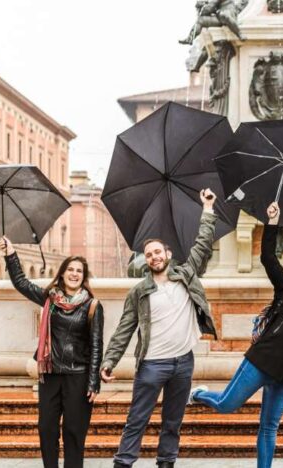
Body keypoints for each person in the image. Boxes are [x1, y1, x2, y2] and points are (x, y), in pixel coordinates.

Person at [191, 201, 283, 468]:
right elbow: (267, 256)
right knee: (225, 404)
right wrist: (272, 222)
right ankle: (198, 394)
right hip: (262, 359)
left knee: (269, 427)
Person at [101, 189, 220, 468]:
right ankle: (124, 462)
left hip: (183, 362)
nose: (154, 257)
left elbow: (202, 245)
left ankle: (166, 462)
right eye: (149, 254)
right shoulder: (140, 291)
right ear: (146, 260)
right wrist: (109, 360)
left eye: (158, 252)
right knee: (137, 419)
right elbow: (124, 329)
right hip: (152, 365)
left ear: (168, 254)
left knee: (173, 420)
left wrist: (208, 209)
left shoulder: (185, 276)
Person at [0, 236, 104, 468]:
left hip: (78, 375)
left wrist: (94, 382)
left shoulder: (93, 306)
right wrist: (11, 253)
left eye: (79, 271)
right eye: (70, 269)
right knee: (46, 429)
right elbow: (20, 282)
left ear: (84, 277)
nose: (74, 273)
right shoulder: (50, 299)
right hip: (50, 374)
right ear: (62, 273)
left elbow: (97, 345)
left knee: (74, 432)